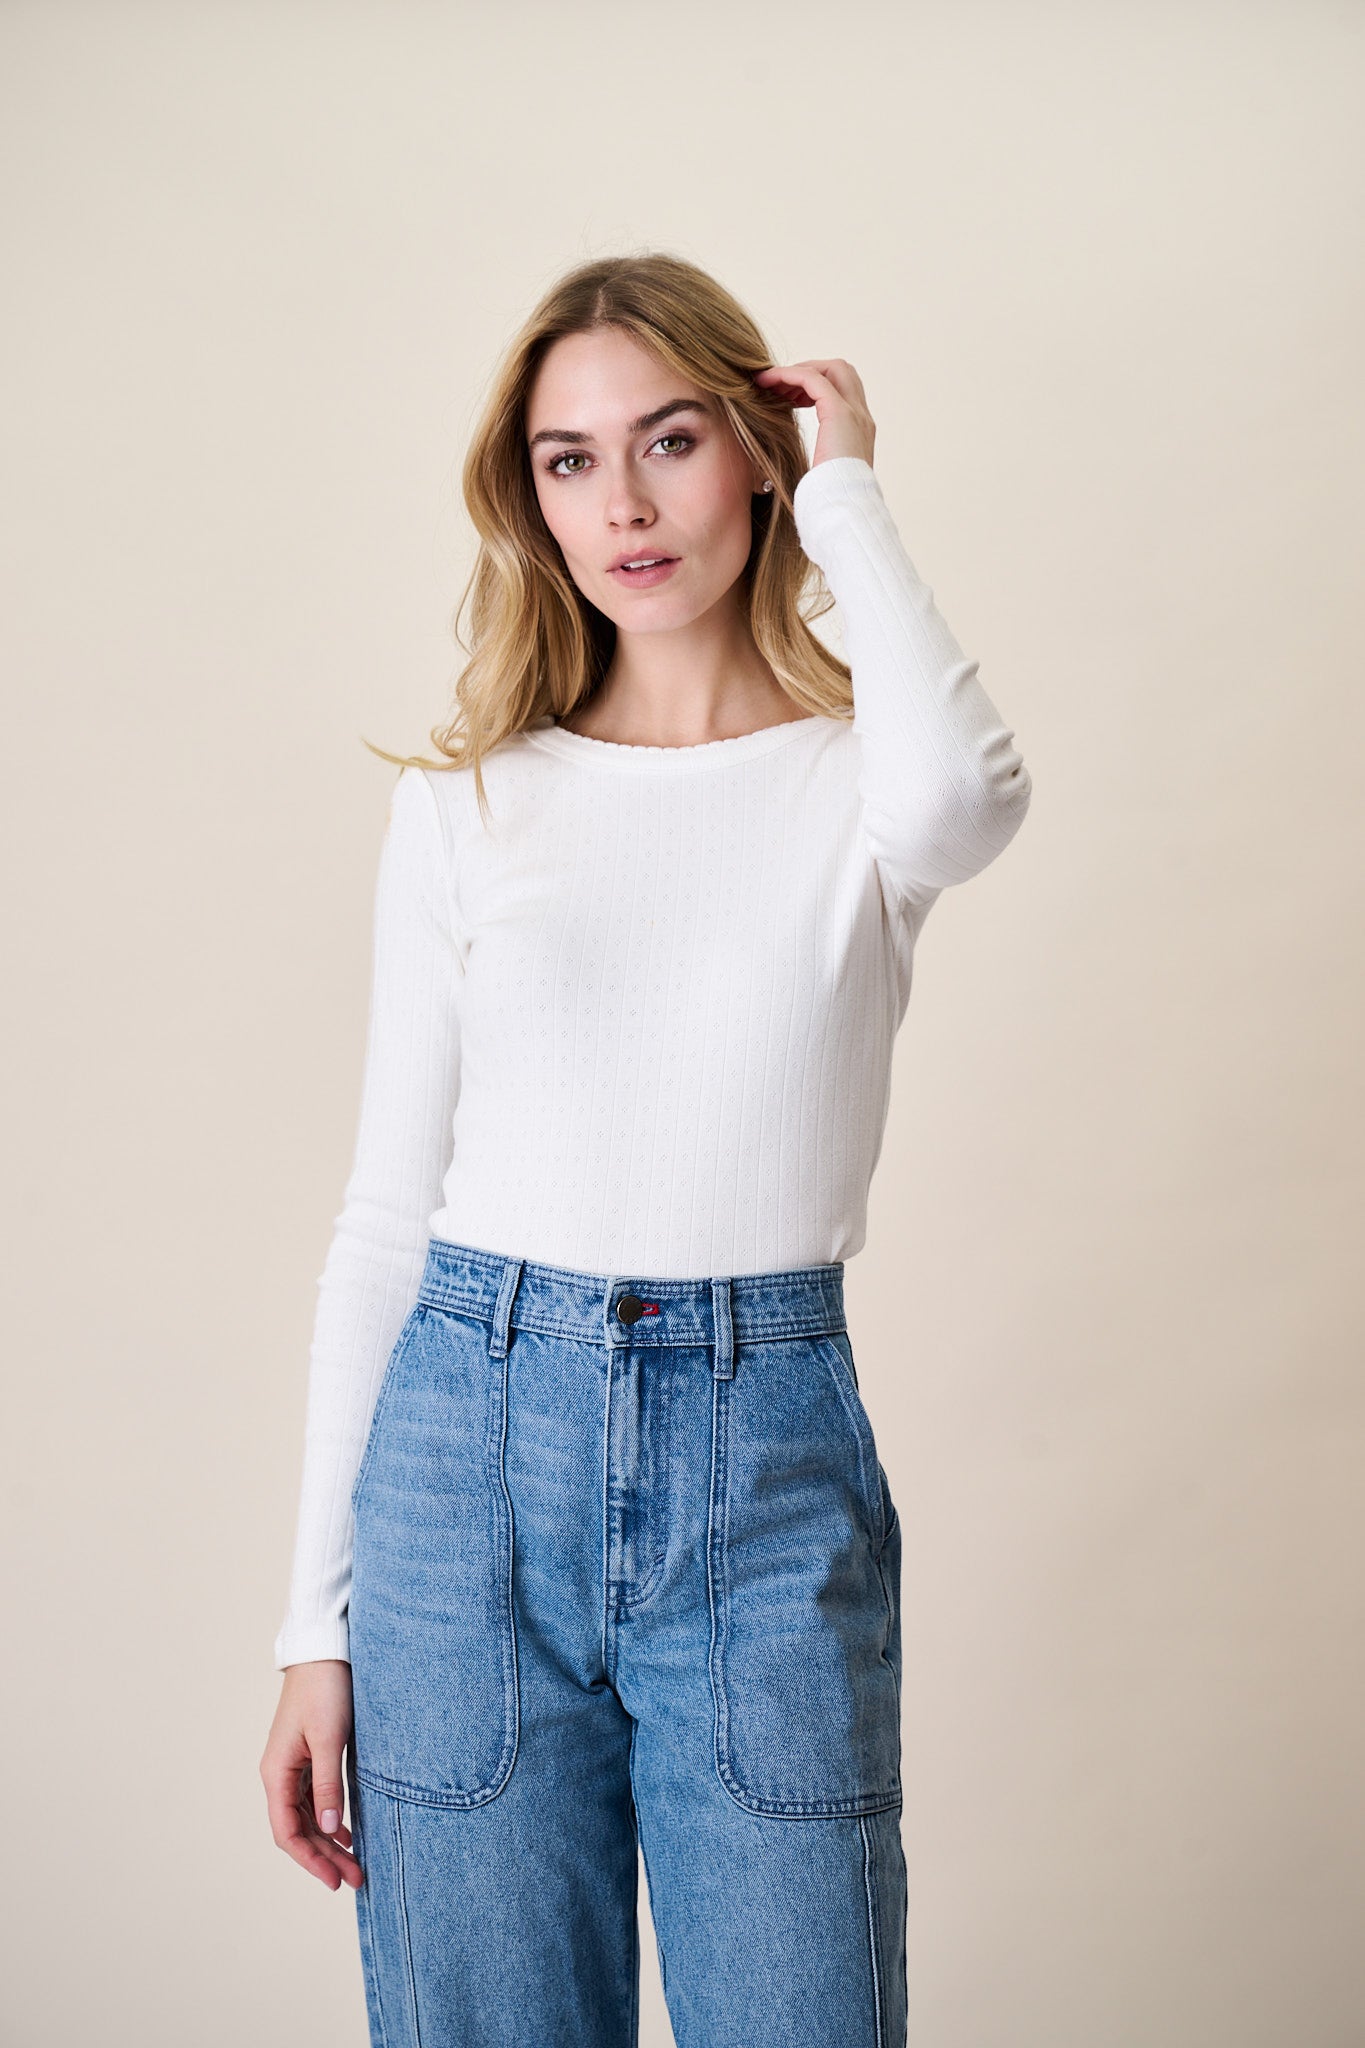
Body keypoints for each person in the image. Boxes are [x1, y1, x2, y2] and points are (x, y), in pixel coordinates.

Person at [259, 250, 1032, 2048]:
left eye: (671, 440)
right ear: (527, 499)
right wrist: (314, 1625)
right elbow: (386, 1222)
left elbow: (970, 796)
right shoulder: (466, 802)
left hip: (761, 1458)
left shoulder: (862, 783)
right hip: (463, 1462)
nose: (623, 502)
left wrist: (848, 491)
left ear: (755, 453)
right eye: (569, 459)